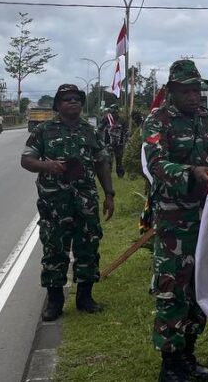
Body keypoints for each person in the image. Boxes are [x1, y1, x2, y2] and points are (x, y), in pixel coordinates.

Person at [142, 60, 208, 382]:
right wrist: (190, 173)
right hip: (173, 219)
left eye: (197, 89)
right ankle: (169, 363)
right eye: (187, 90)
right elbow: (156, 163)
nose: (194, 96)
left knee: (200, 287)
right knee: (172, 289)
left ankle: (188, 354)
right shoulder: (158, 121)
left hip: (203, 217)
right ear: (172, 91)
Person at [21, 84, 116, 322]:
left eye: (76, 99)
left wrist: (110, 194)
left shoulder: (90, 131)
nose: (73, 102)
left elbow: (101, 162)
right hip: (55, 202)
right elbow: (26, 159)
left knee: (88, 247)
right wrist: (47, 165)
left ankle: (85, 298)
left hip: (86, 201)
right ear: (58, 105)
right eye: (66, 99)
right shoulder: (44, 130)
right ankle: (55, 302)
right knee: (55, 250)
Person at [100, 104, 128, 178]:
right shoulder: (106, 119)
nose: (114, 114)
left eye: (115, 112)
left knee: (119, 160)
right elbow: (100, 129)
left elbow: (126, 131)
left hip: (119, 144)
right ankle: (107, 175)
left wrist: (127, 137)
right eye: (113, 112)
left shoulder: (122, 120)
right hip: (108, 143)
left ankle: (120, 175)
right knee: (108, 160)